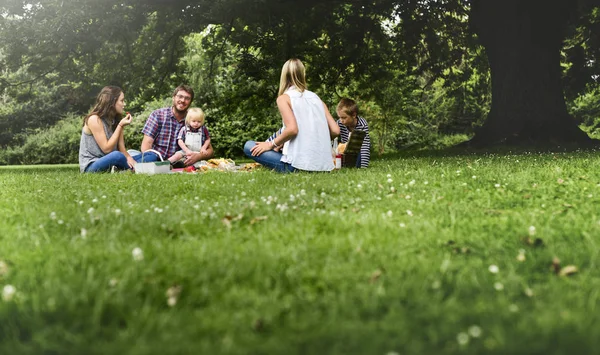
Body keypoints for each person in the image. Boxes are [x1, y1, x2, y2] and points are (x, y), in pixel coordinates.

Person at [243, 58, 340, 173]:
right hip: (323, 167)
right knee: (276, 146)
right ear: (303, 75)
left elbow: (292, 129)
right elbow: (335, 130)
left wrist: (271, 144)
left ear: (284, 76)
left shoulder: (284, 98)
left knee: (249, 146)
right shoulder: (317, 99)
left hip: (297, 166)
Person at [132, 85, 213, 165]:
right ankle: (130, 162)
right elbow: (146, 145)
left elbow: (210, 151)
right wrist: (150, 165)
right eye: (180, 96)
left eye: (187, 98)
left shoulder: (194, 120)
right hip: (156, 159)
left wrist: (198, 156)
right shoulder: (158, 115)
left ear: (190, 102)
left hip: (179, 162)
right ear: (173, 97)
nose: (183, 100)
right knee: (149, 158)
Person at [79, 86, 136, 173]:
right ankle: (131, 169)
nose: (124, 104)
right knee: (117, 156)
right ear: (112, 102)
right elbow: (106, 149)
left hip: (111, 161)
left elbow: (122, 149)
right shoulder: (94, 119)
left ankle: (128, 168)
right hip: (92, 165)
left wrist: (130, 159)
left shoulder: (115, 120)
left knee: (150, 155)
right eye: (122, 101)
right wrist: (120, 126)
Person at [336, 98, 371, 168]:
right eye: (340, 117)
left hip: (358, 151)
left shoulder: (362, 125)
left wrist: (364, 166)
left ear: (354, 115)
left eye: (344, 118)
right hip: (345, 152)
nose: (341, 120)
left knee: (359, 154)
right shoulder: (340, 123)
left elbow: (365, 146)